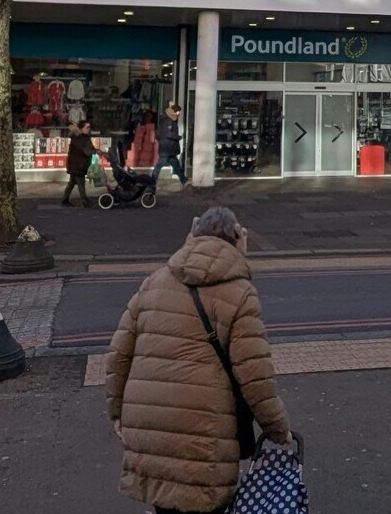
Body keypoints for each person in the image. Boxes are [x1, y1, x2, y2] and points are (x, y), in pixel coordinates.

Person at [108, 208, 292, 513]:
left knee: (166, 503)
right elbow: (255, 375)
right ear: (237, 237)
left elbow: (119, 354)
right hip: (204, 431)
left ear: (193, 233)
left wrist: (116, 412)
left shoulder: (155, 281)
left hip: (150, 425)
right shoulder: (241, 292)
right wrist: (277, 428)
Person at [153, 101, 187, 189]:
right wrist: (178, 137)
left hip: (168, 148)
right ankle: (152, 181)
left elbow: (158, 134)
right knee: (160, 165)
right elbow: (168, 134)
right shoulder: (169, 121)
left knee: (176, 165)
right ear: (176, 112)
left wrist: (161, 141)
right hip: (167, 148)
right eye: (179, 111)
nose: (179, 113)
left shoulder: (166, 119)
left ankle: (183, 180)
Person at [63, 120, 96, 208]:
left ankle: (65, 200)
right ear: (81, 129)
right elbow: (86, 151)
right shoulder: (81, 139)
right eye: (87, 127)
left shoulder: (78, 137)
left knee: (72, 183)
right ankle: (84, 200)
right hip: (78, 165)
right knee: (81, 182)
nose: (89, 129)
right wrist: (97, 151)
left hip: (75, 164)